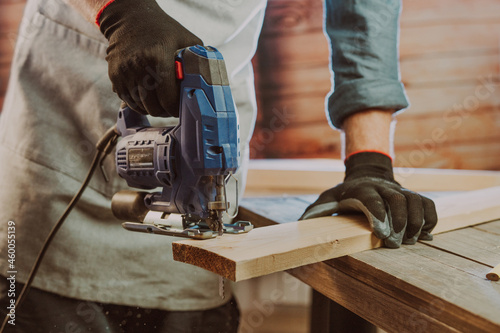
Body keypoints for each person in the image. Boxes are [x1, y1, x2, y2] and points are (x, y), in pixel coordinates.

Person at [0, 0, 437, 332]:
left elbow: (363, 12)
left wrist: (370, 160)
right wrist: (118, 10)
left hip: (191, 252)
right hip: (57, 143)